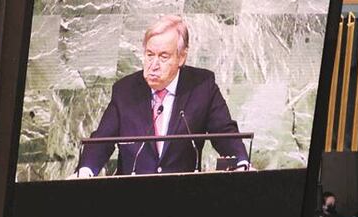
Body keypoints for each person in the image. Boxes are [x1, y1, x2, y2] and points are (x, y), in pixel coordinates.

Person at [76, 16, 248, 177]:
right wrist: (85, 171)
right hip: (132, 197)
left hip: (184, 196)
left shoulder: (202, 86)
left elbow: (224, 133)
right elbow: (102, 140)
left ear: (181, 57)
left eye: (163, 56)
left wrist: (241, 162)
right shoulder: (125, 90)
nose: (153, 65)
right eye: (150, 55)